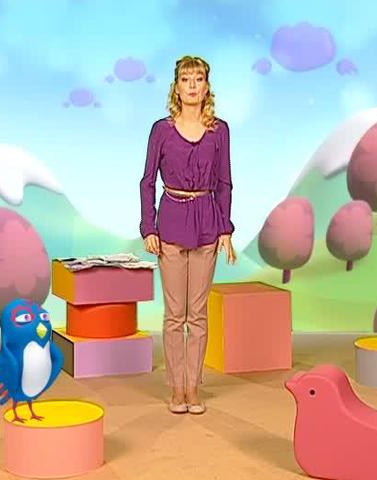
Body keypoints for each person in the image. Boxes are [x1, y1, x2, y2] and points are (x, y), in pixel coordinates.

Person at [139, 55, 237, 415]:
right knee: (174, 315)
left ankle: (193, 388)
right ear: (176, 87)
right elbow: (147, 181)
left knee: (197, 314)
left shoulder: (219, 130)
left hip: (207, 224)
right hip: (170, 224)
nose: (192, 86)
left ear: (207, 87)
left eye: (198, 79)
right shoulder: (161, 130)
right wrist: (149, 227)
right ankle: (176, 388)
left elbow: (225, 182)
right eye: (186, 79)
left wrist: (225, 229)